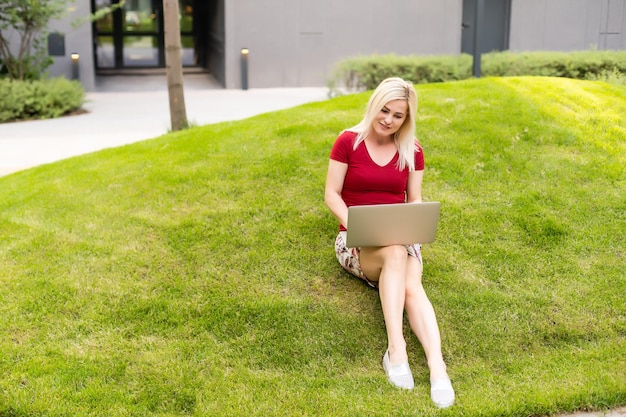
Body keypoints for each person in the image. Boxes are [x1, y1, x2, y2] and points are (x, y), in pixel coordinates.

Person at [324, 77, 455, 408]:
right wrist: (359, 225)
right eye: (385, 110)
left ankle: (437, 367)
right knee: (395, 255)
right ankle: (397, 350)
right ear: (374, 105)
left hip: (399, 235)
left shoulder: (413, 150)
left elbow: (414, 199)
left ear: (406, 119)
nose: (389, 120)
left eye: (398, 116)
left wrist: (413, 224)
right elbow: (331, 195)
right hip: (356, 239)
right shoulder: (347, 142)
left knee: (411, 283)